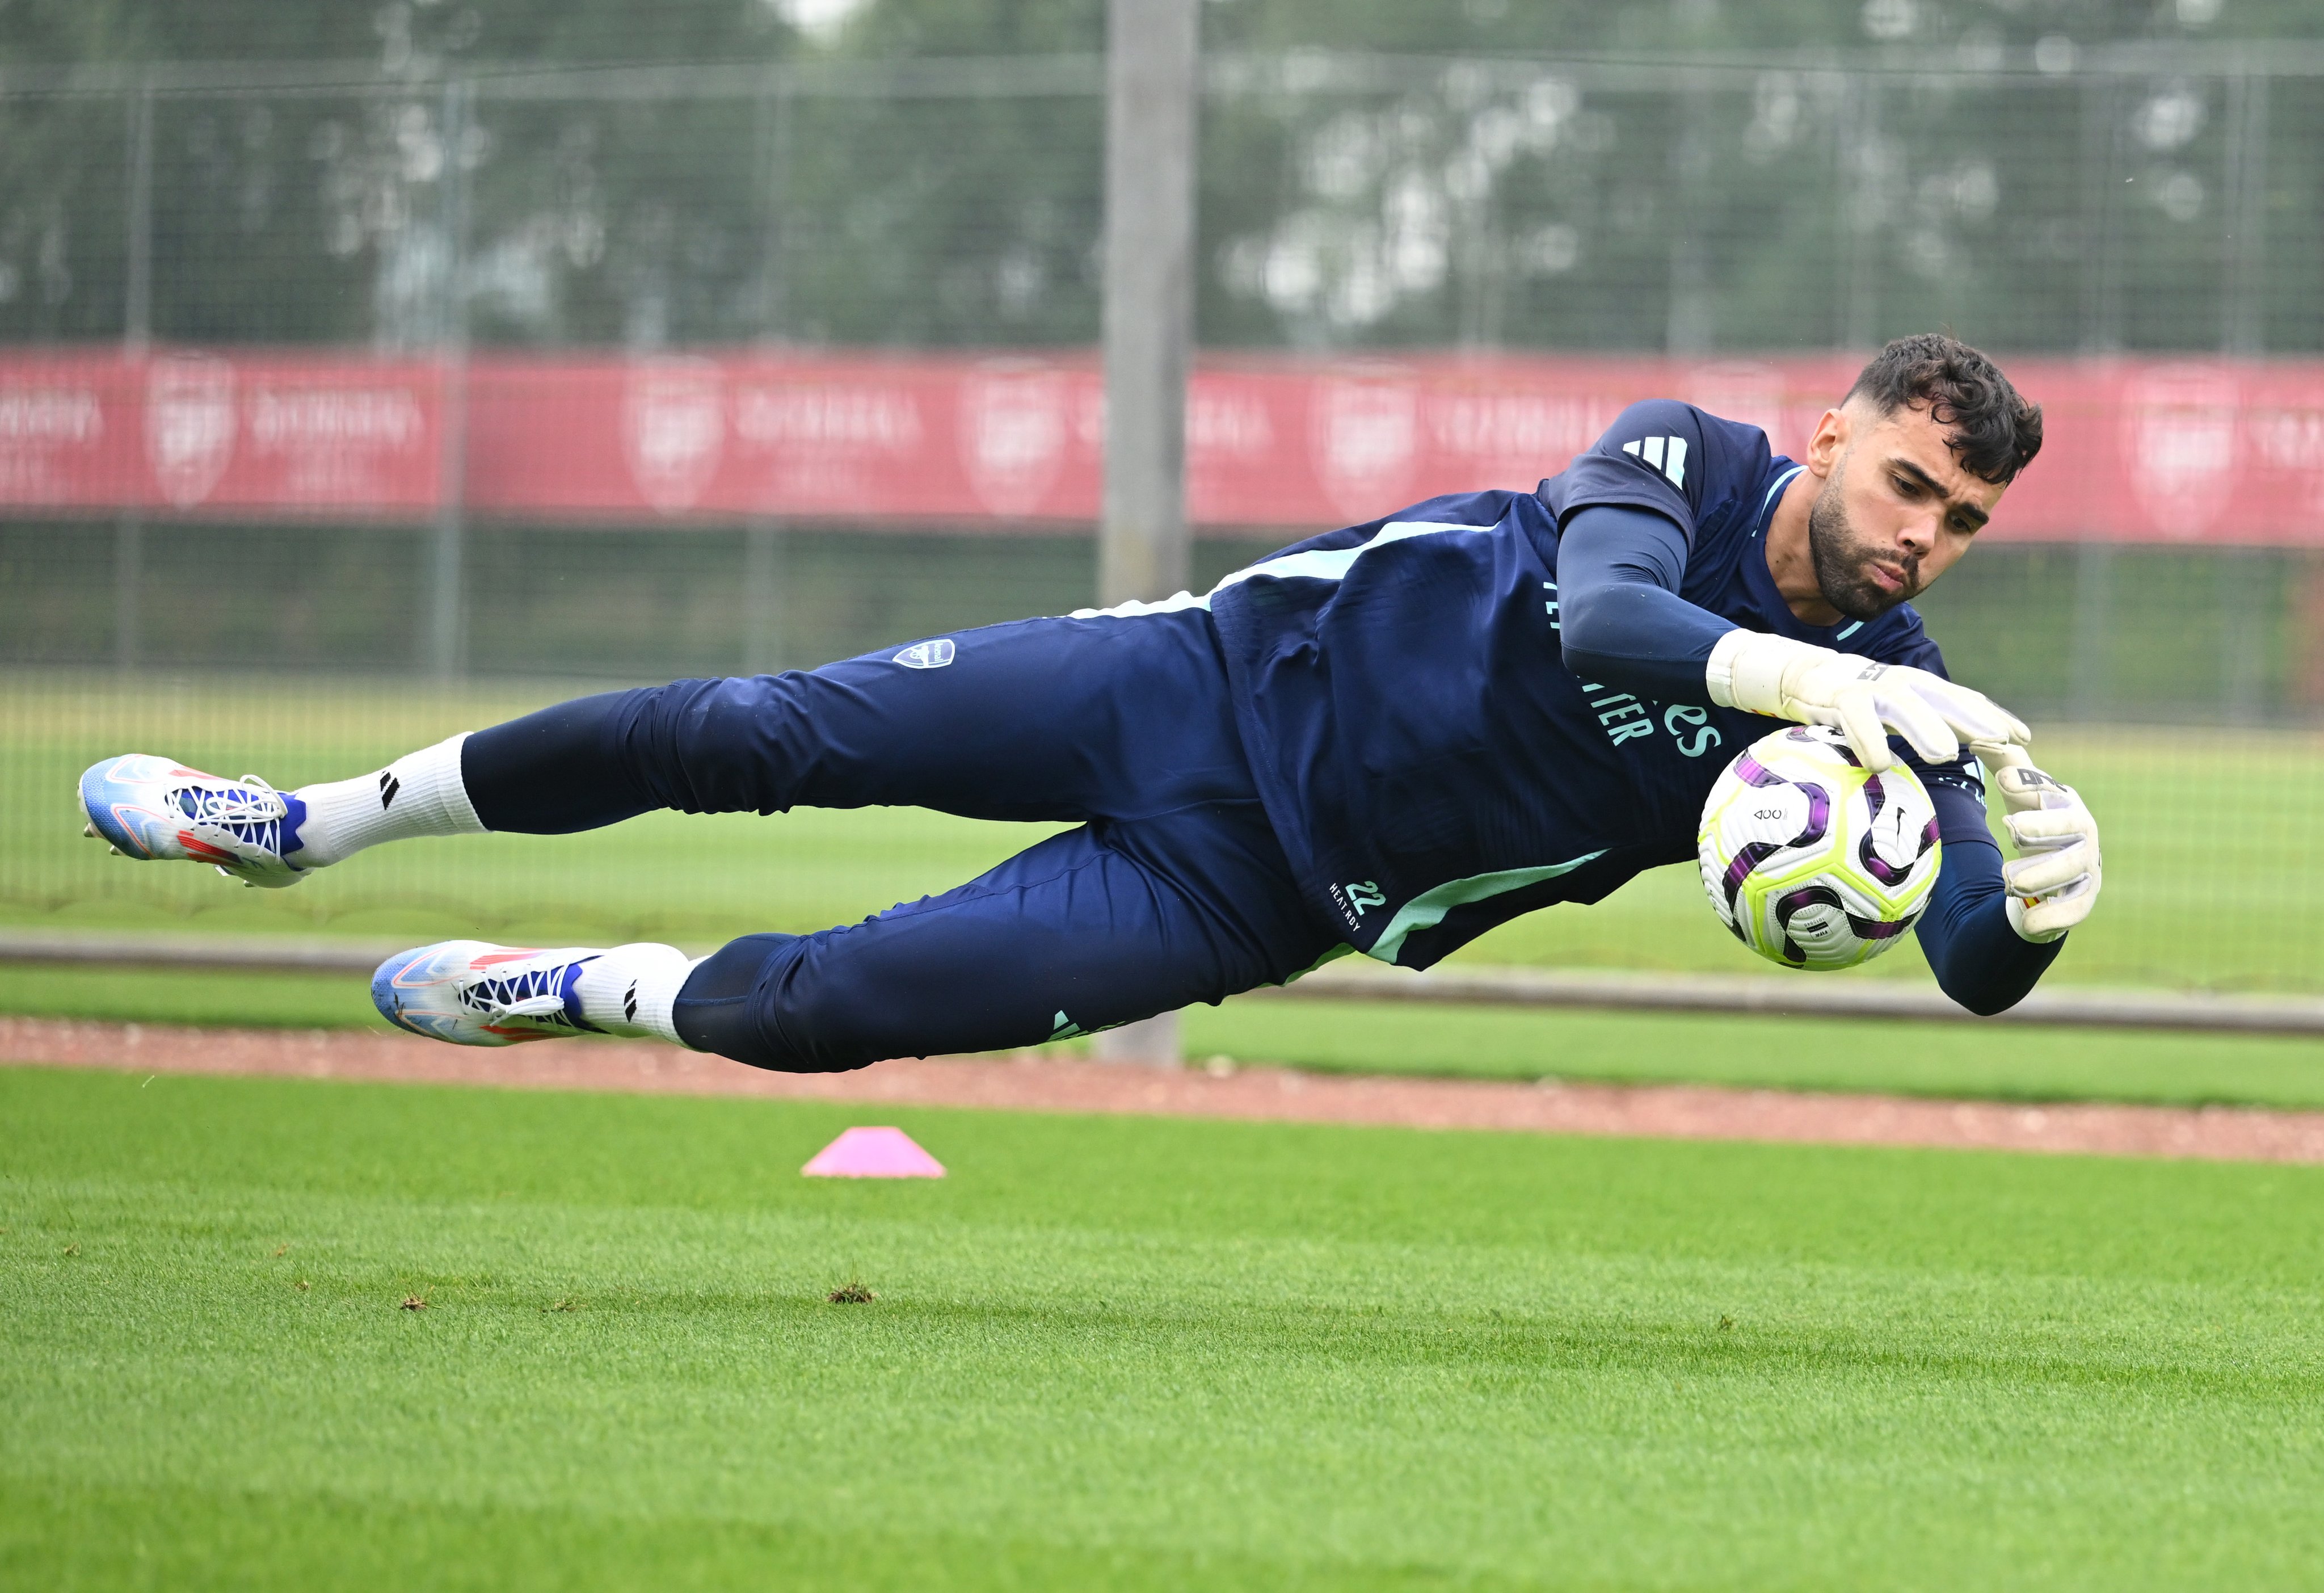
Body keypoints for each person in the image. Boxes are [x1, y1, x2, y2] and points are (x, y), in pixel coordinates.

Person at [78, 333, 2101, 1069]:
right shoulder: (1683, 458)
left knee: (829, 1015)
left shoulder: (1892, 706)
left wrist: (2027, 901)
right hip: (1191, 688)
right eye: (1908, 478)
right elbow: (1608, 619)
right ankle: (305, 823)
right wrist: (1808, 684)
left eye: (1965, 518)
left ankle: (570, 987)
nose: (1924, 534)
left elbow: (1952, 963)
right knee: (755, 733)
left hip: (1265, 895)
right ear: (1831, 432)